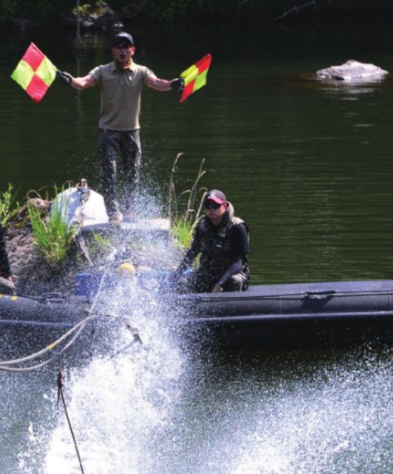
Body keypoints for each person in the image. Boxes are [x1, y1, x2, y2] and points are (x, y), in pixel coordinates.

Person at [59, 32, 185, 223]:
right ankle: (114, 213)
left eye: (127, 46)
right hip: (108, 131)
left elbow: (158, 83)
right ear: (113, 51)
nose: (123, 50)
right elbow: (84, 82)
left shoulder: (141, 72)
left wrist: (172, 85)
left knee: (132, 172)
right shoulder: (103, 71)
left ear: (133, 50)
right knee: (109, 172)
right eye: (119, 46)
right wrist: (70, 80)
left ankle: (130, 211)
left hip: (132, 131)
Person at [174, 189, 250, 293]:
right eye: (208, 206)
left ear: (224, 206)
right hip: (208, 273)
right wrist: (175, 276)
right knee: (183, 282)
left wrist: (220, 284)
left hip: (231, 274)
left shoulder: (238, 227)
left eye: (215, 205)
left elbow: (239, 262)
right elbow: (192, 254)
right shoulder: (202, 227)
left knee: (235, 281)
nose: (212, 209)